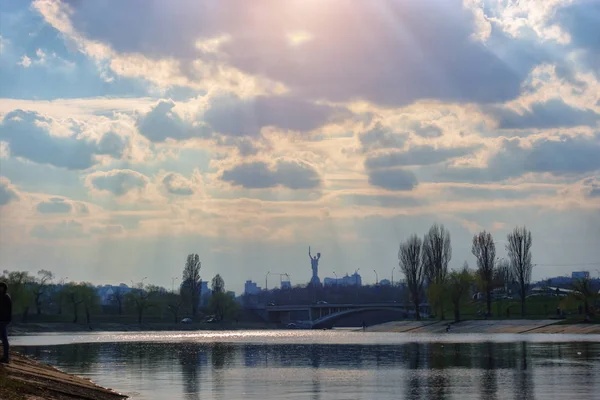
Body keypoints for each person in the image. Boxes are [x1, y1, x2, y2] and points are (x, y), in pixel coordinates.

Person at [0, 282, 11, 364]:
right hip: (2, 320)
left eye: (1, 287)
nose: (0, 288)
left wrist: (7, 319)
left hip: (3, 320)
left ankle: (6, 357)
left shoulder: (6, 297)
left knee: (4, 338)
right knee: (3, 338)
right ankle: (5, 356)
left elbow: (8, 310)